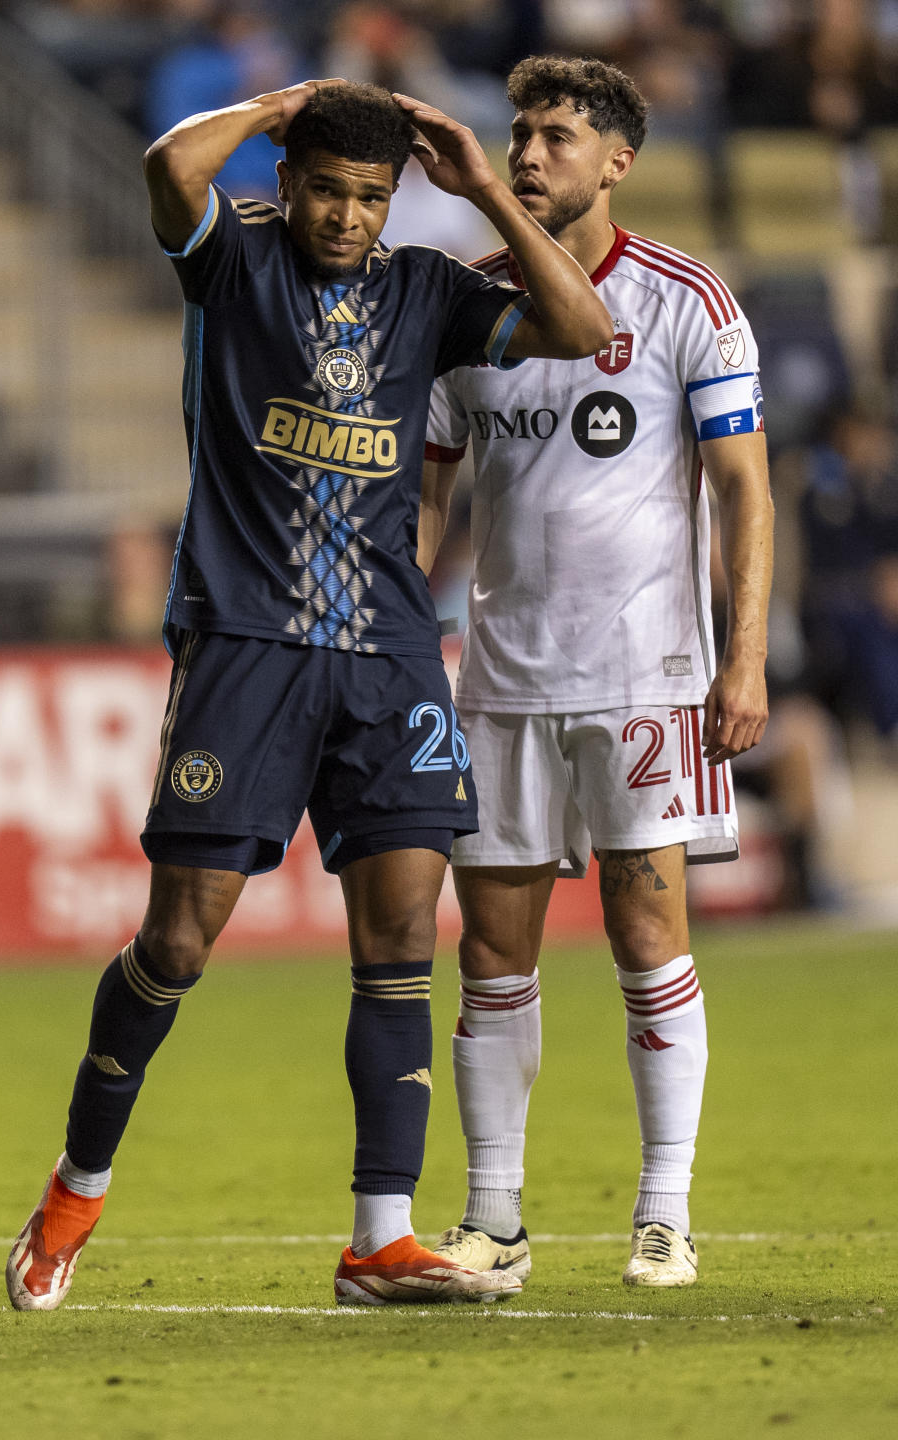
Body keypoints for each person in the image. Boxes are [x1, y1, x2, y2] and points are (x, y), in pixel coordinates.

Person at [5, 77, 613, 1312]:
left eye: (372, 198)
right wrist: (286, 102)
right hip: (245, 643)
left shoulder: (427, 292)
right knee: (178, 941)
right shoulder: (234, 263)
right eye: (329, 189)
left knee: (399, 940)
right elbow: (169, 166)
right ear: (288, 182)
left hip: (390, 654)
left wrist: (483, 184)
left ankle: (379, 1240)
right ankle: (77, 1187)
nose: (347, 216)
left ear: (397, 203)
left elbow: (584, 326)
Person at [421, 55, 773, 1287]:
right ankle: (493, 1222)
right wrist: (402, 635)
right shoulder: (465, 303)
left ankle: (665, 1213)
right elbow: (430, 488)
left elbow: (744, 490)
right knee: (491, 951)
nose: (528, 154)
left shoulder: (688, 299)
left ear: (618, 160)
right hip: (500, 676)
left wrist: (746, 658)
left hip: (648, 674)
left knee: (646, 926)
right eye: (519, 133)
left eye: (557, 137)